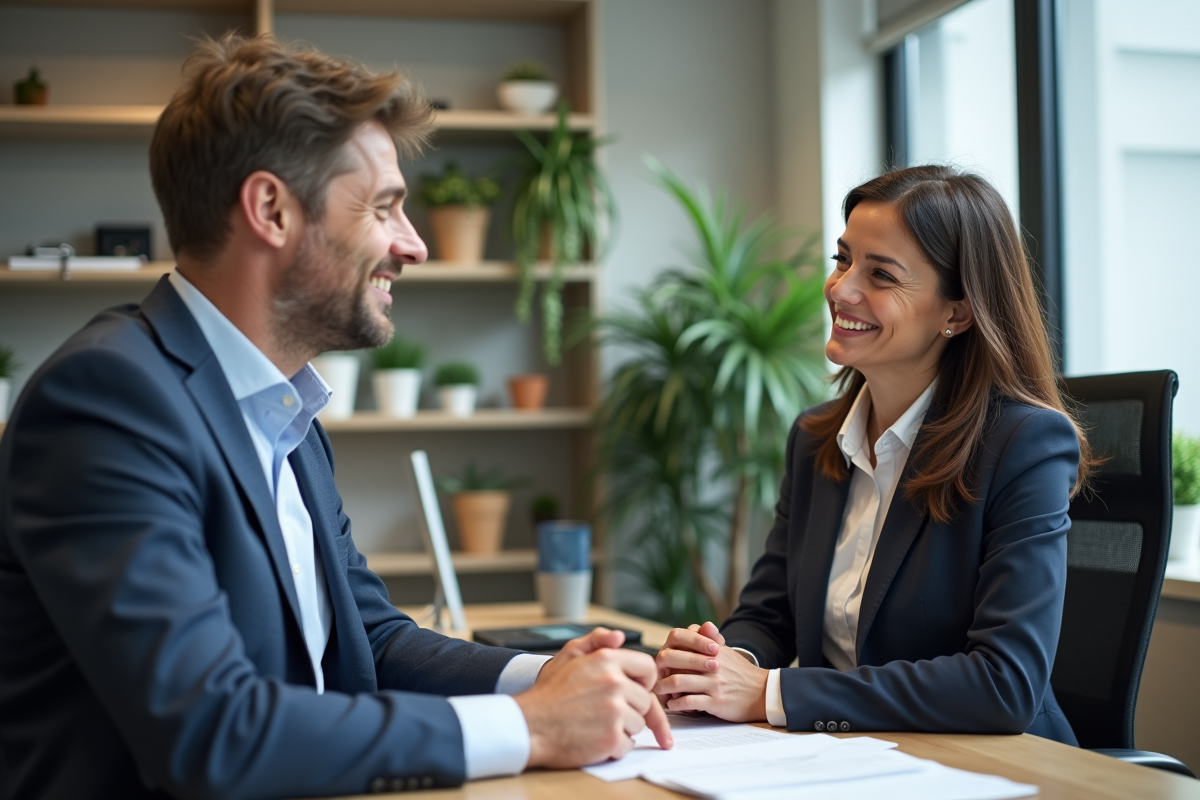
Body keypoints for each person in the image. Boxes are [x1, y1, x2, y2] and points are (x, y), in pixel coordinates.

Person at [0, 34, 670, 800]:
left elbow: (367, 640)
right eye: (384, 207)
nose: (414, 245)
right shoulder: (108, 401)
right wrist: (533, 725)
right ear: (271, 210)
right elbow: (211, 731)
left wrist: (549, 677)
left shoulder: (285, 412)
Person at [653, 165, 1095, 745]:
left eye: (881, 274)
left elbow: (1003, 684)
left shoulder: (1023, 445)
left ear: (957, 312)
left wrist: (769, 693)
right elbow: (768, 614)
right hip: (849, 756)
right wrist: (718, 664)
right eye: (843, 260)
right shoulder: (815, 439)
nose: (840, 288)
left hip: (993, 765)